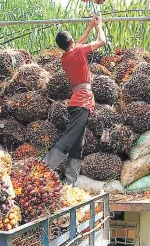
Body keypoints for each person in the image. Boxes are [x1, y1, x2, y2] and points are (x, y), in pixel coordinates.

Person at [42, 14, 106, 184]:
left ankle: (70, 181)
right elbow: (102, 41)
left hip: (77, 101)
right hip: (82, 101)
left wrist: (89, 27)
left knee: (78, 142)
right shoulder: (77, 51)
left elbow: (77, 45)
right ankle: (44, 167)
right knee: (70, 137)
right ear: (71, 40)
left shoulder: (65, 57)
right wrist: (99, 25)